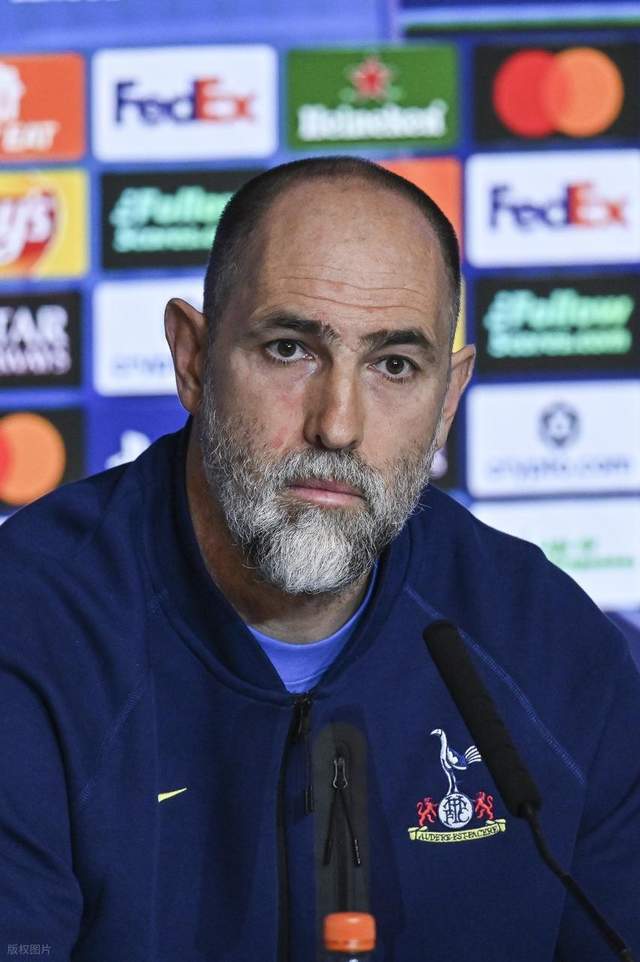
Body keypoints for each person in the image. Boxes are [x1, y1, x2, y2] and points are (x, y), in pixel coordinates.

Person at [0, 157, 638, 962]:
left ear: (447, 401)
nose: (337, 425)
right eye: (289, 349)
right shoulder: (28, 629)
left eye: (395, 366)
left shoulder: (555, 650)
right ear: (193, 358)